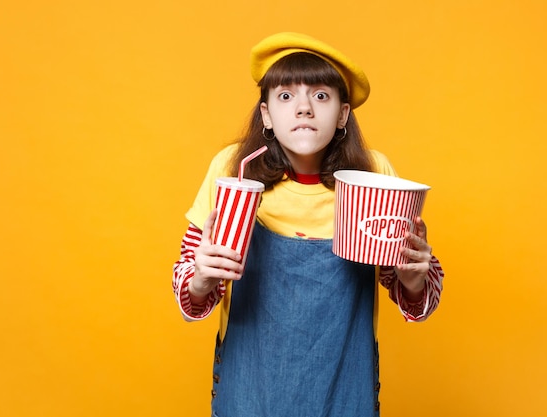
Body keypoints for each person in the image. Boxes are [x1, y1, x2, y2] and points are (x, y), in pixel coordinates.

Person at [172, 32, 444, 417]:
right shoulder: (234, 169)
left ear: (343, 114)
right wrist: (200, 279)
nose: (304, 108)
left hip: (344, 389)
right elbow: (189, 288)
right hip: (249, 388)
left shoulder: (374, 176)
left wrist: (414, 278)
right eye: (286, 96)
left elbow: (419, 298)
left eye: (320, 96)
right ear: (266, 113)